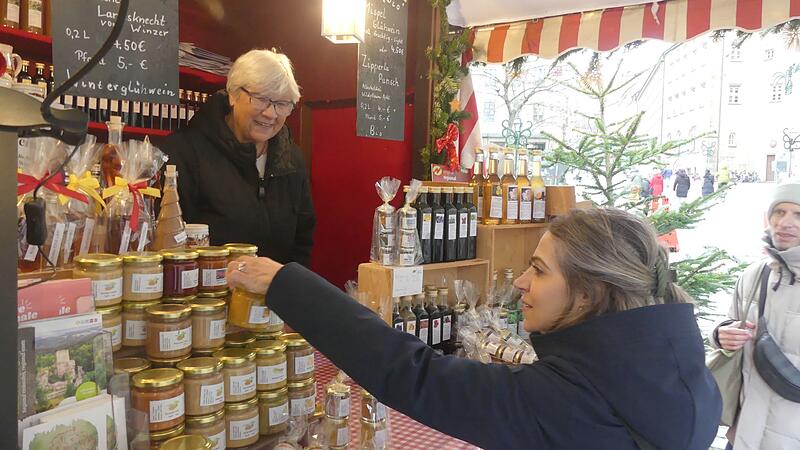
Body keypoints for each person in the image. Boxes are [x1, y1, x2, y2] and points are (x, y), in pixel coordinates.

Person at [228, 208, 721, 450]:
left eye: (541, 270)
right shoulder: (681, 373)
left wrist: (285, 284)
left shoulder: (567, 402)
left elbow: (412, 373)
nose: (522, 282)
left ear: (589, 293)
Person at [162, 49, 316, 265]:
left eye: (282, 104)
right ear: (233, 94)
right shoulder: (184, 152)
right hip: (210, 295)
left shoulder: (292, 160)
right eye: (261, 99)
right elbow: (170, 243)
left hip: (274, 295)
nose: (271, 114)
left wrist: (289, 289)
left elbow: (303, 241)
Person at [712, 181, 800, 450]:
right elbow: (730, 322)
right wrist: (722, 334)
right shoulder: (753, 275)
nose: (785, 222)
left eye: (798, 215)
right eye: (779, 212)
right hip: (745, 430)